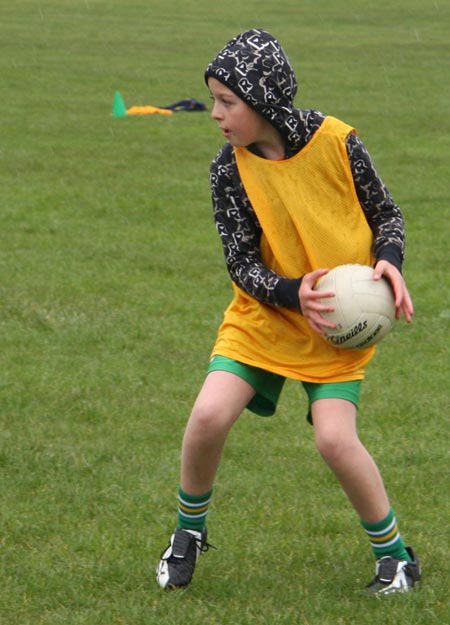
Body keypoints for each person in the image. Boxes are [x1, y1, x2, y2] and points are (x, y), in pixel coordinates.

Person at [156, 28, 420, 595]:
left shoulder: (338, 141)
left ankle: (396, 558)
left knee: (334, 439)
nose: (216, 114)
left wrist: (390, 263)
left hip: (334, 324)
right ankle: (188, 532)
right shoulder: (227, 169)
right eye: (214, 100)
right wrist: (290, 291)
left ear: (264, 99)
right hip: (266, 315)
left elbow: (387, 215)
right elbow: (241, 263)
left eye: (228, 102)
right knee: (207, 417)